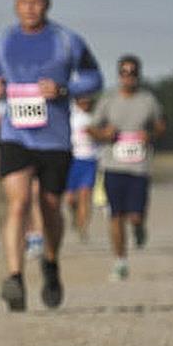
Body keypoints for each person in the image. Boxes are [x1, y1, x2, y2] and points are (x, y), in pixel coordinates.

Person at [0, 0, 103, 311]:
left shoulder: (67, 41)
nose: (30, 8)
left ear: (47, 4)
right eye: (24, 1)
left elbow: (94, 77)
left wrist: (65, 90)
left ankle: (50, 264)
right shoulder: (4, 39)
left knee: (50, 207)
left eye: (36, 1)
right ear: (15, 4)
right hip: (15, 135)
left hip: (54, 138)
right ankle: (15, 277)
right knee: (19, 203)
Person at [88, 55, 166, 280]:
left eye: (132, 72)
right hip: (113, 165)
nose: (128, 77)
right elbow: (91, 128)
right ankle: (120, 261)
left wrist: (150, 135)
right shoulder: (108, 99)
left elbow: (161, 125)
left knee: (134, 216)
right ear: (119, 74)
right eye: (124, 72)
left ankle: (139, 228)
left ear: (138, 75)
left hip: (139, 167)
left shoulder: (148, 100)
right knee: (116, 216)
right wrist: (104, 134)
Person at [64, 95, 100, 241]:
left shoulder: (96, 116)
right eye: (82, 99)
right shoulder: (70, 114)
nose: (86, 102)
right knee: (70, 199)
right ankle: (74, 215)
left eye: (88, 99)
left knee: (85, 195)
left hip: (90, 160)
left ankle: (83, 227)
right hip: (72, 159)